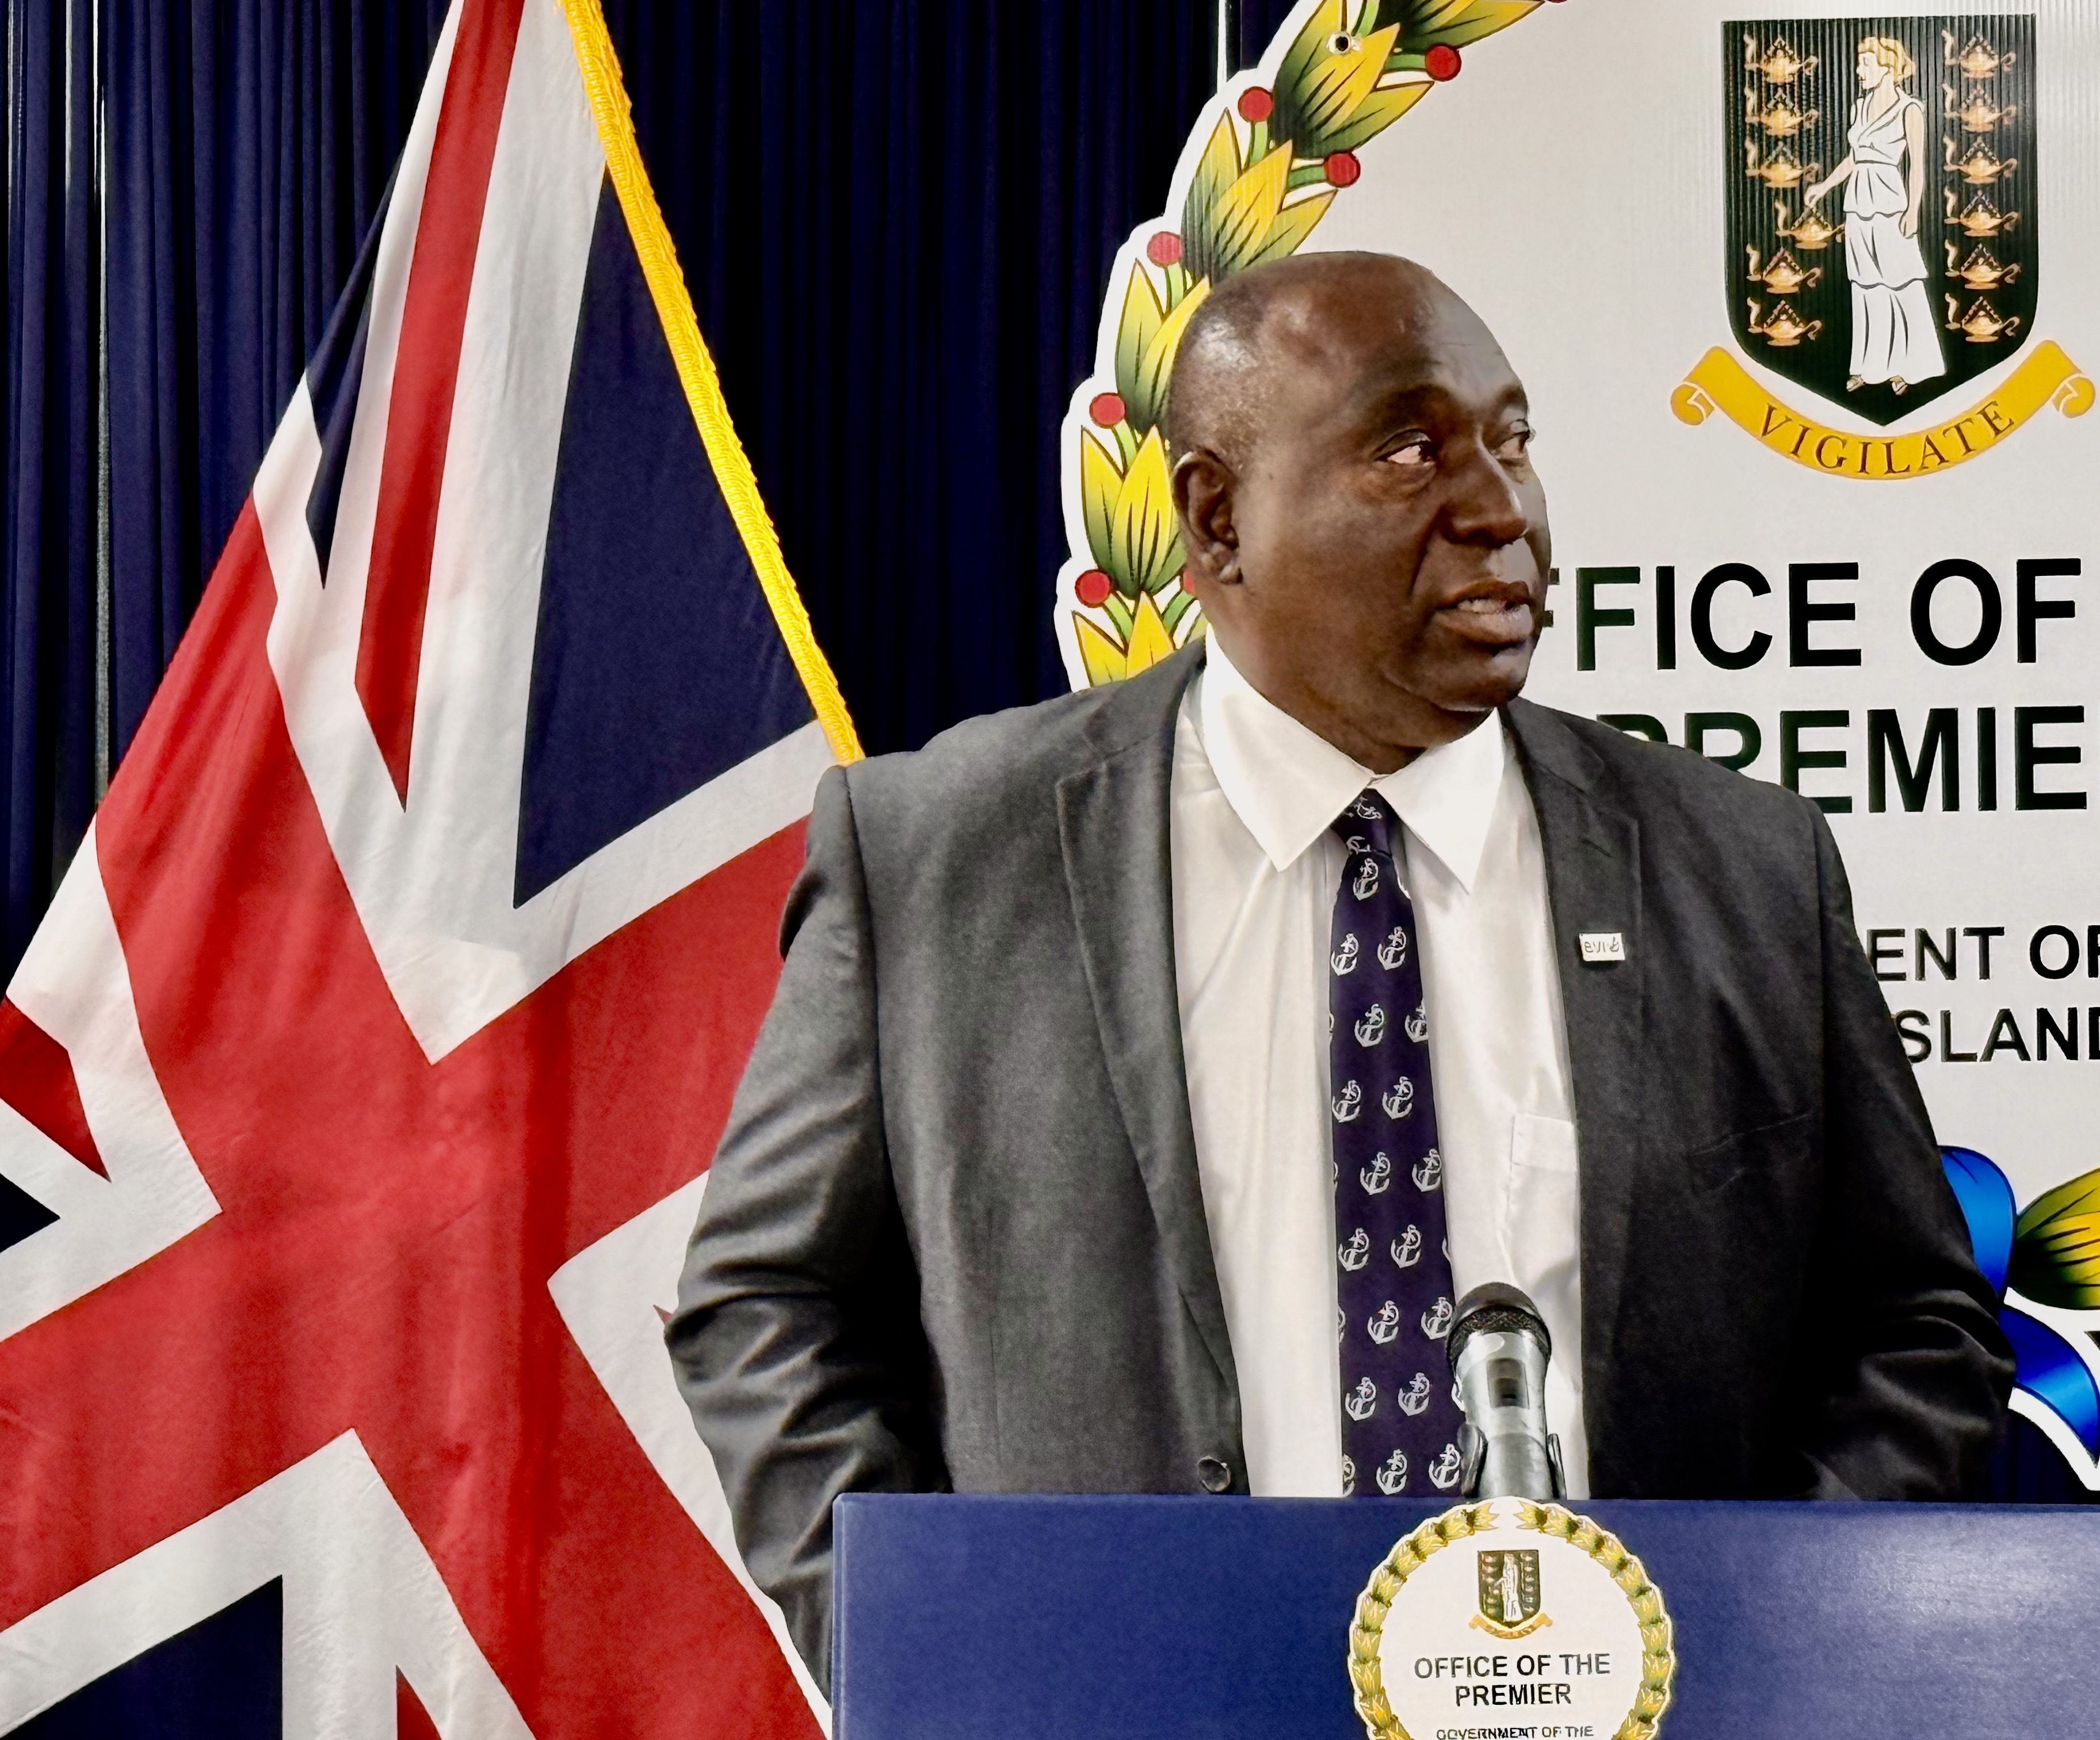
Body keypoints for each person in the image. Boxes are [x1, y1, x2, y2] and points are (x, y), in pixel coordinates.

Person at [666, 251, 2011, 1688]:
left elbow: (1912, 1325)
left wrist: (1764, 1648)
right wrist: (930, 1654)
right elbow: (769, 1306)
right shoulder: (941, 856)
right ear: (1218, 518)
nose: (1501, 511)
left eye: (1512, 442)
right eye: (1411, 449)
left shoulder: (1742, 865)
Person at [1804, 36, 1947, 393]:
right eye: (1859, 63)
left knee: (1900, 281)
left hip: (1890, 204)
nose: (1859, 70)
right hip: (1857, 204)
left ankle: (1912, 366)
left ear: (1888, 68)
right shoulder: (1859, 106)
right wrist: (1824, 186)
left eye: (1866, 63)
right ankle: (1870, 367)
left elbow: (1917, 166)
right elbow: (1855, 158)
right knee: (1866, 283)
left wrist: (1913, 210)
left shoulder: (1909, 109)